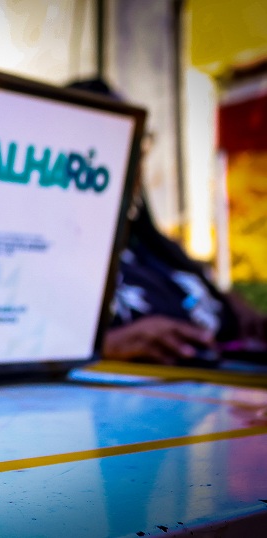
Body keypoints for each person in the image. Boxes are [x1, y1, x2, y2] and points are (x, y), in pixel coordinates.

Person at [67, 78, 267, 365]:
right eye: (106, 140)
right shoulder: (45, 259)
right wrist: (104, 347)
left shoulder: (156, 250)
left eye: (139, 141)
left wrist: (231, 307)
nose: (131, 155)